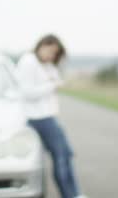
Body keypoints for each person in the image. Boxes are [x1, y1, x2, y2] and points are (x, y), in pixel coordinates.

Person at [16, 34, 85, 198]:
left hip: (47, 116)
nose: (51, 56)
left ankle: (74, 193)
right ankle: (71, 195)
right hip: (38, 118)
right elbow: (27, 92)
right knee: (61, 156)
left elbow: (55, 76)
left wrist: (52, 77)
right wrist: (51, 85)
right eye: (50, 51)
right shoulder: (28, 61)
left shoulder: (45, 64)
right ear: (41, 45)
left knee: (65, 154)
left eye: (55, 54)